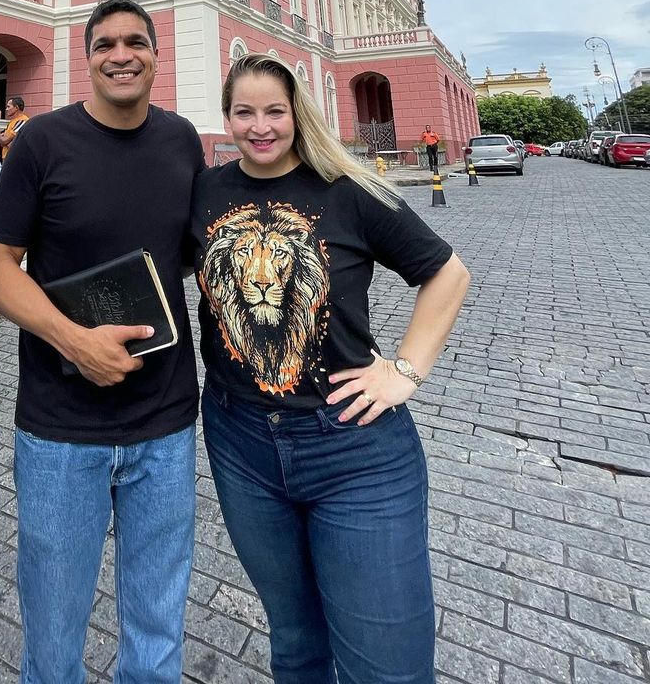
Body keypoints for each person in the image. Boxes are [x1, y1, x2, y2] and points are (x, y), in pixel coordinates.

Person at [191, 53, 470, 684]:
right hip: (241, 443)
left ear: (298, 114)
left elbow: (448, 274)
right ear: (228, 116)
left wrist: (405, 371)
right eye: (244, 112)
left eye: (274, 111)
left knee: (388, 668)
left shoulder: (347, 191)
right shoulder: (209, 190)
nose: (259, 126)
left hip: (354, 448)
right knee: (295, 643)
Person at [0, 0, 205, 684]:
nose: (121, 54)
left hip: (165, 424)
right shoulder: (43, 142)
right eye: (105, 43)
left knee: (158, 624)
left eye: (136, 41)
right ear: (87, 58)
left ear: (156, 55)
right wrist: (73, 339)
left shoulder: (182, 140)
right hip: (59, 430)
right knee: (53, 629)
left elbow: (191, 255)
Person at [0, 95, 29, 162]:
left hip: (15, 159)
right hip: (7, 158)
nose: (6, 109)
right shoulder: (12, 121)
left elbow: (5, 141)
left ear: (16, 107)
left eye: (8, 106)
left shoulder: (22, 121)